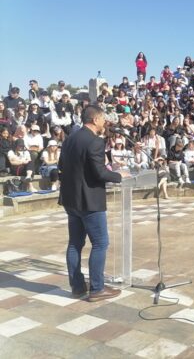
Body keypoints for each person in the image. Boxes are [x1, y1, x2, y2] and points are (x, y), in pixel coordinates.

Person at [59, 105, 123, 301]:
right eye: (103, 119)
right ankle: (97, 289)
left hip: (71, 200)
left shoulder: (70, 139)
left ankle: (77, 287)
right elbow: (99, 173)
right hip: (89, 202)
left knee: (75, 244)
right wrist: (119, 175)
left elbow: (62, 166)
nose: (105, 123)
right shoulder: (95, 141)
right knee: (100, 243)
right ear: (95, 120)